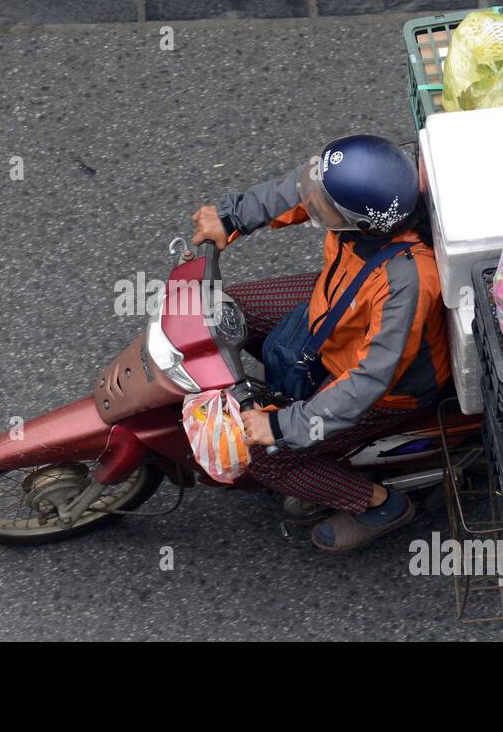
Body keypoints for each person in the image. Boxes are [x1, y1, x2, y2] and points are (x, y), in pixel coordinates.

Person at [190, 134, 450, 552]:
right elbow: (299, 191)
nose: (310, 203)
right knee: (227, 312)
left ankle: (379, 505)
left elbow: (369, 381)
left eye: (321, 205)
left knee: (265, 458)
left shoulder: (409, 281)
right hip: (334, 305)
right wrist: (232, 217)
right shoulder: (363, 206)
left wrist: (281, 426)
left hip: (386, 389)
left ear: (360, 224)